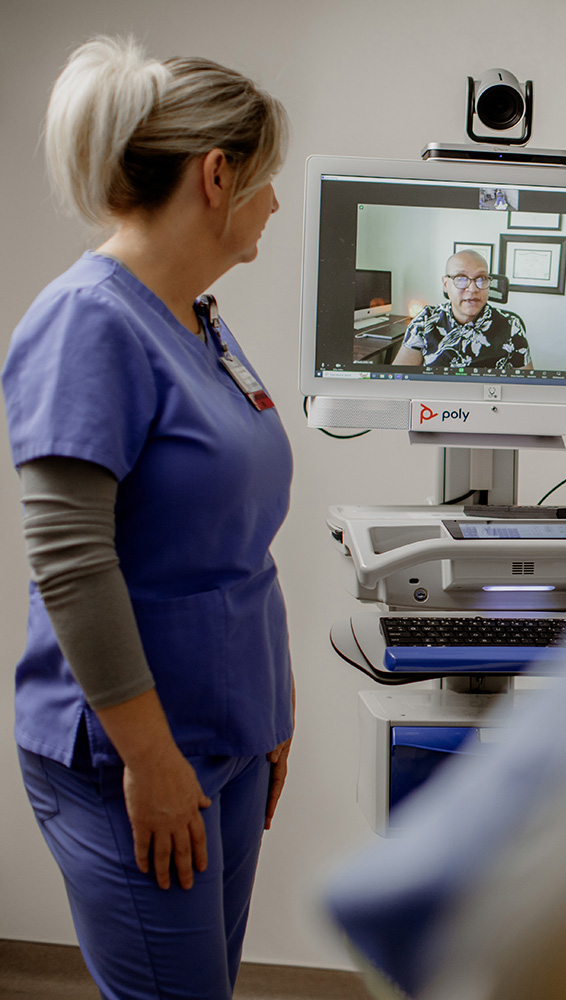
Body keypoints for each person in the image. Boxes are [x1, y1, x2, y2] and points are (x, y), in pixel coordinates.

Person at [2, 36, 294, 1000]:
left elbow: (239, 535)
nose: (276, 206)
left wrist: (273, 706)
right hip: (134, 752)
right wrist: (153, 759)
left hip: (230, 735)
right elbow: (72, 561)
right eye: (267, 181)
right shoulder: (87, 320)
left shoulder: (196, 320)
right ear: (218, 175)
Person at [392, 250, 532, 370]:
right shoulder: (425, 321)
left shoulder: (511, 326)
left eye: (481, 278)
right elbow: (398, 379)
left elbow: (526, 386)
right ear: (446, 285)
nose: (473, 289)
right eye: (461, 278)